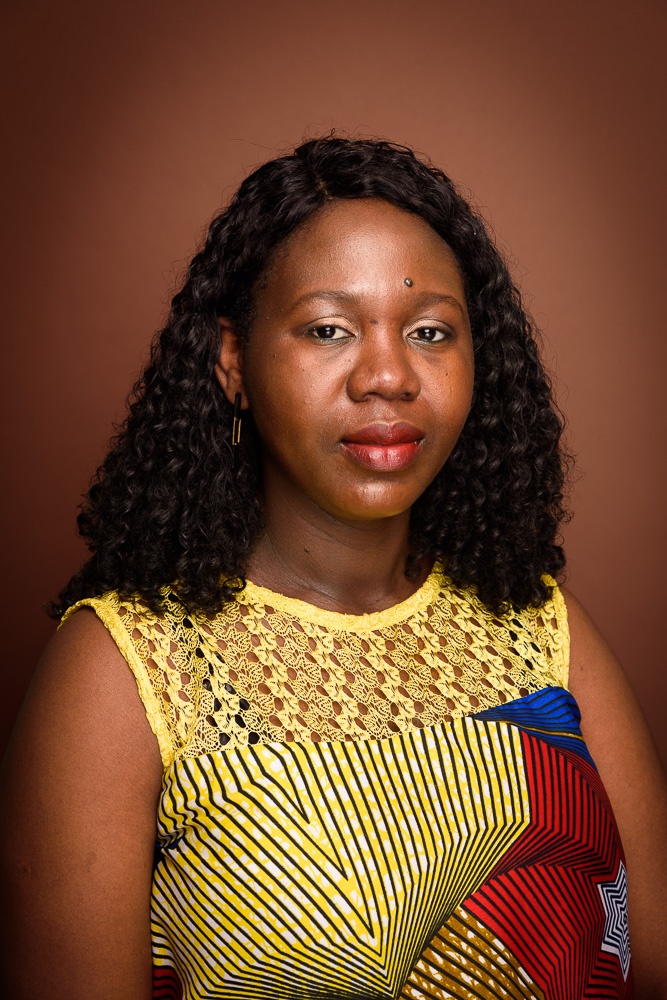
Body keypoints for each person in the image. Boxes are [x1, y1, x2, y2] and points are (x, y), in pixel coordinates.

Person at [1, 136, 665, 1000]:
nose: (387, 376)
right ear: (232, 362)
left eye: (429, 332)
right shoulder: (125, 668)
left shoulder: (542, 631)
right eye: (327, 330)